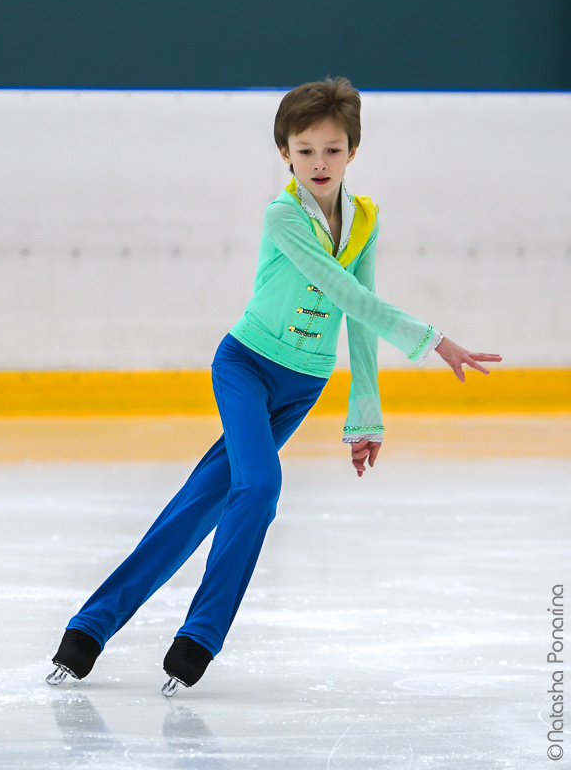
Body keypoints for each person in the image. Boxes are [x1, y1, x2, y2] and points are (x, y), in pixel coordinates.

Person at [46, 77, 501, 695]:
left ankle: (88, 629)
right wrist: (432, 339)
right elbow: (344, 291)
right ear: (285, 153)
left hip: (303, 384)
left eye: (333, 149)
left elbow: (358, 320)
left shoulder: (364, 218)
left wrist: (365, 412)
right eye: (305, 149)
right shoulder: (283, 215)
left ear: (352, 153)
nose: (319, 162)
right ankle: (199, 641)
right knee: (258, 487)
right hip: (245, 367)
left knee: (198, 505)